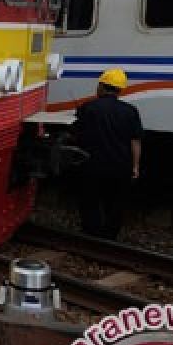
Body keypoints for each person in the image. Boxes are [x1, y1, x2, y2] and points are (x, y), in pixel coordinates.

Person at [73, 68, 143, 240]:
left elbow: (77, 134)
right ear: (119, 89)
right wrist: (135, 166)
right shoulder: (130, 111)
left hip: (93, 165)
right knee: (116, 203)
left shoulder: (88, 108)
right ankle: (110, 235)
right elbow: (135, 141)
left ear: (102, 87)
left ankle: (92, 233)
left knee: (90, 200)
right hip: (121, 166)